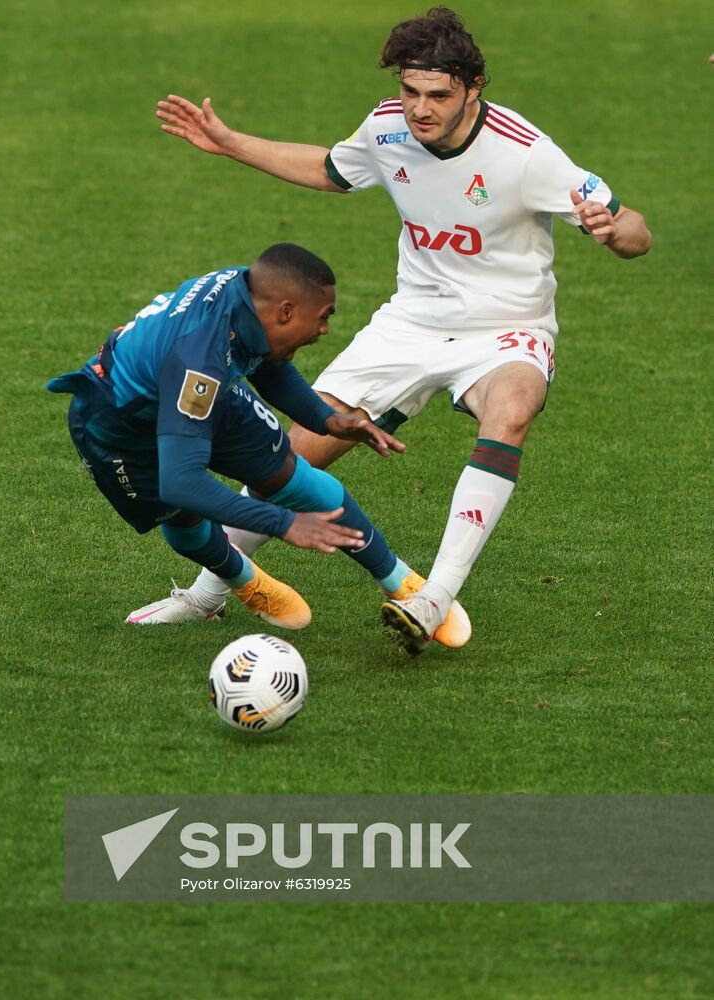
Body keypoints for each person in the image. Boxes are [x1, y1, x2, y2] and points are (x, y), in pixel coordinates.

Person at [149, 6, 650, 652]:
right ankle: (209, 593)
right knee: (292, 455)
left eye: (437, 95)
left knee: (514, 408)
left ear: (473, 89)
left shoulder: (527, 154)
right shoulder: (387, 132)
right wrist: (231, 142)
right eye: (410, 91)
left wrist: (614, 234)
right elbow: (331, 169)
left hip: (507, 327)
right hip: (410, 323)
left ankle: (432, 595)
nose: (420, 109)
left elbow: (636, 230)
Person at [47, 242, 466, 634]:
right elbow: (182, 481)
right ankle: (246, 582)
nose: (323, 329)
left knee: (285, 473)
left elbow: (265, 359)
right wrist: (283, 524)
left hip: (203, 388)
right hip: (116, 425)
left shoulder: (245, 294)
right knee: (181, 516)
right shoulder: (200, 355)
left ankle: (402, 583)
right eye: (323, 316)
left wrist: (326, 419)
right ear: (285, 311)